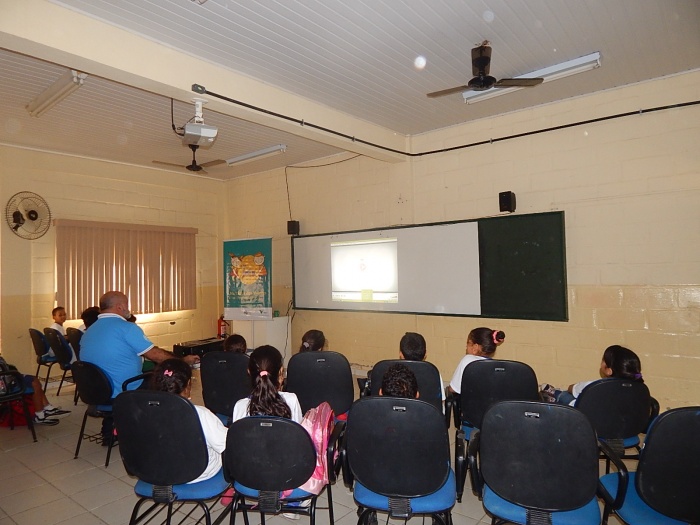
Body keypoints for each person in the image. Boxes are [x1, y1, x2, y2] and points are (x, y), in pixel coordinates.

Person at [80, 291, 199, 441]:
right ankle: (164, 431)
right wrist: (182, 361)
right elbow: (155, 355)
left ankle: (110, 430)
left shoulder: (89, 331)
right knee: (167, 380)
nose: (128, 308)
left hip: (96, 392)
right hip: (124, 388)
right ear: (120, 307)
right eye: (127, 304)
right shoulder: (126, 328)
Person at [151, 359, 227, 483]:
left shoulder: (144, 412)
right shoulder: (201, 414)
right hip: (198, 474)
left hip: (160, 472)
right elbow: (226, 445)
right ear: (188, 386)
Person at [540, 345, 644, 406]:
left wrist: (570, 389)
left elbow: (572, 388)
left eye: (603, 360)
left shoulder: (595, 386)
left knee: (566, 395)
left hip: (593, 425)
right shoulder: (640, 389)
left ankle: (555, 394)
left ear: (608, 371)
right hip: (626, 430)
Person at [231, 345, 302, 424]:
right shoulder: (292, 400)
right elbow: (299, 430)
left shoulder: (240, 406)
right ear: (281, 372)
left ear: (249, 372)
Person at [0, 355, 70, 426]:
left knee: (34, 379)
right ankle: (40, 415)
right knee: (34, 383)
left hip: (8, 379)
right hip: (4, 386)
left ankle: (47, 408)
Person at [448, 327, 505, 395]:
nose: (466, 347)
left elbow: (453, 389)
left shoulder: (468, 360)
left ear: (475, 347)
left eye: (468, 343)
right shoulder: (496, 367)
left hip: (469, 402)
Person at [399, 332, 446, 408]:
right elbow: (441, 401)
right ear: (425, 354)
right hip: (427, 414)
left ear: (401, 354)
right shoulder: (432, 372)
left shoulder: (391, 373)